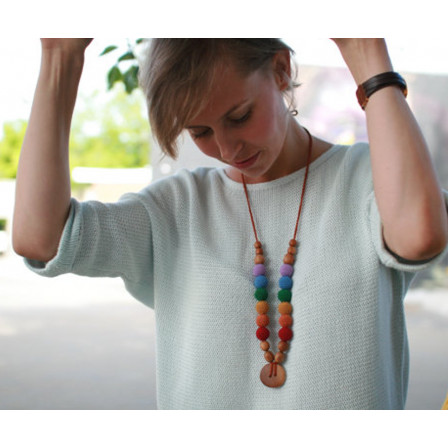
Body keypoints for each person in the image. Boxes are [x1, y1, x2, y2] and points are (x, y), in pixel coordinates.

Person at [13, 38, 448, 410]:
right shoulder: (176, 207)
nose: (226, 147)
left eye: (239, 116)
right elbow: (41, 239)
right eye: (199, 131)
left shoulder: (370, 180)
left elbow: (419, 236)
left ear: (281, 70)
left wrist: (366, 49)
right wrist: (60, 56)